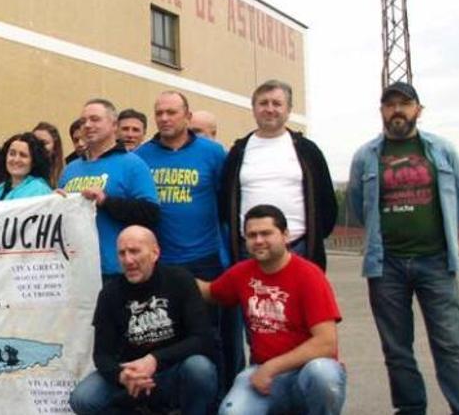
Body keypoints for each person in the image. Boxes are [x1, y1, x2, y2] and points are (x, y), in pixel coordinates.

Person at [347, 82, 459, 415]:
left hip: (435, 262)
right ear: (381, 112)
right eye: (389, 105)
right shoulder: (366, 156)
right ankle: (410, 409)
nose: (397, 111)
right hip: (386, 265)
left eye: (404, 104)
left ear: (418, 110)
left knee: (450, 346)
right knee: (397, 349)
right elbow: (357, 204)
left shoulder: (442, 150)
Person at [136, 91, 244, 389]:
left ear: (187, 116)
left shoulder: (213, 153)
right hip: (160, 263)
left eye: (171, 112)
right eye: (159, 113)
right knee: (162, 336)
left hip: (204, 261)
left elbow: (228, 202)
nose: (165, 118)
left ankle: (221, 399)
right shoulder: (140, 157)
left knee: (212, 336)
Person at [198, 205, 346, 415]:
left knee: (323, 375)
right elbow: (209, 292)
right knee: (233, 412)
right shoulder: (241, 274)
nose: (258, 240)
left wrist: (272, 367)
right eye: (251, 235)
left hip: (306, 371)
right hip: (264, 377)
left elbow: (326, 343)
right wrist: (166, 272)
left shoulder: (309, 275)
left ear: (285, 235)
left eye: (266, 233)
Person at [70, 227, 216, 415]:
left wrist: (154, 360)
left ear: (155, 253)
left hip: (172, 370)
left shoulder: (180, 280)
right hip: (131, 377)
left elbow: (202, 338)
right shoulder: (109, 293)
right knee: (83, 398)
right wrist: (122, 375)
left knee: (200, 369)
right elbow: (101, 355)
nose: (128, 260)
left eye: (135, 251)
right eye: (122, 253)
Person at [220, 80, 337, 270]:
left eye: (276, 103)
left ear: (289, 109)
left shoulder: (307, 151)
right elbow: (224, 200)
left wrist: (313, 237)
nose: (269, 109)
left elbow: (326, 200)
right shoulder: (239, 151)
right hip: (248, 251)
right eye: (263, 103)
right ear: (254, 109)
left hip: (299, 249)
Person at [60, 99, 159, 280]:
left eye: (95, 119)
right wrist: (53, 203)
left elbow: (150, 213)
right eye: (83, 122)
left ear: (114, 125)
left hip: (115, 271)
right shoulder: (70, 169)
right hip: (76, 270)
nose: (88, 125)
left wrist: (106, 201)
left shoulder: (133, 164)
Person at [0, 132, 53, 201]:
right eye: (12, 154)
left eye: (23, 155)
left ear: (34, 161)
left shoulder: (40, 190)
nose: (16, 160)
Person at [32, 121, 66, 187]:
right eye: (34, 142)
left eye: (44, 143)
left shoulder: (65, 174)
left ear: (55, 148)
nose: (38, 146)